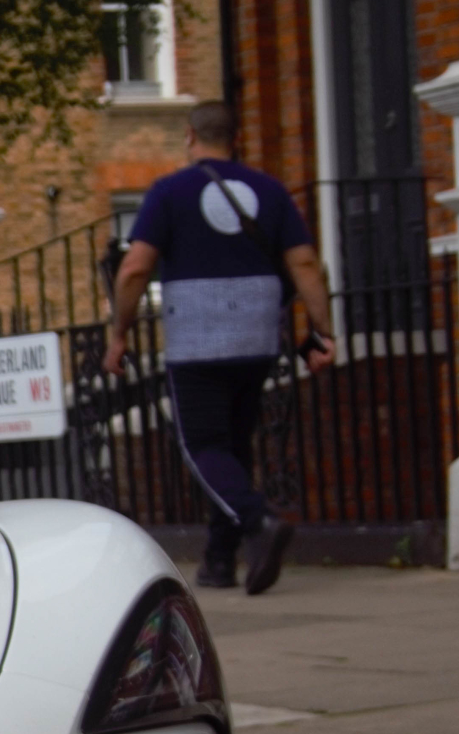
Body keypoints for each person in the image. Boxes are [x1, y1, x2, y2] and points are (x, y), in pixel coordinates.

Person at [102, 101, 336, 596]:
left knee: (203, 446)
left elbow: (135, 268)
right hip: (258, 338)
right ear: (236, 138)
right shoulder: (271, 191)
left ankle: (258, 522)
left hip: (198, 341)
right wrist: (323, 331)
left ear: (190, 136)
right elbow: (306, 265)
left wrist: (119, 331)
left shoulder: (169, 192)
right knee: (232, 448)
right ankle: (218, 560)